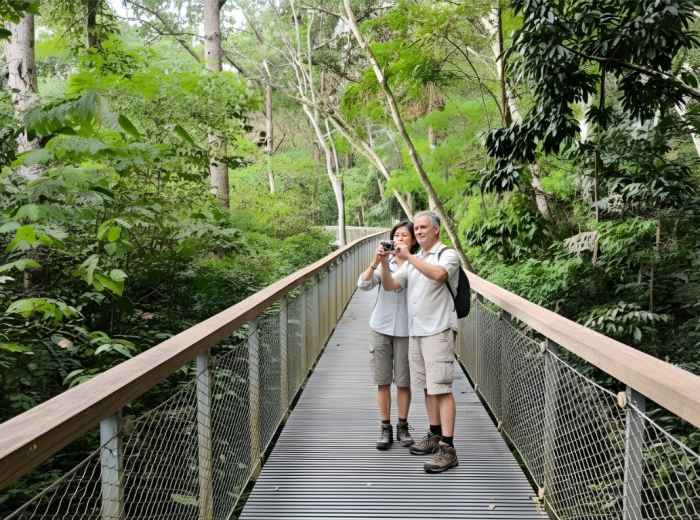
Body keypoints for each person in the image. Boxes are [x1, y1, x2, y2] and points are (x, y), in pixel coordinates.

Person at [378, 210, 460, 473]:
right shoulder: (415, 259)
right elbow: (392, 285)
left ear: (436, 229)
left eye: (424, 227)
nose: (419, 231)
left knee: (442, 387)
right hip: (417, 332)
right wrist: (382, 262)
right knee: (426, 387)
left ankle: (448, 449)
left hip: (438, 330)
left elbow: (439, 276)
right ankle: (434, 434)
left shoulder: (446, 254)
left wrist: (409, 257)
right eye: (417, 228)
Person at [357, 221, 418, 450]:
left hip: (407, 329)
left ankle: (403, 425)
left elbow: (397, 285)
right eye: (396, 235)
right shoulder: (386, 262)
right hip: (380, 326)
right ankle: (385, 427)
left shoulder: (417, 264)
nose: (400, 238)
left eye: (405, 235)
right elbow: (363, 285)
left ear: (412, 240)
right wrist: (376, 262)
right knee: (382, 381)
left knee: (403, 382)